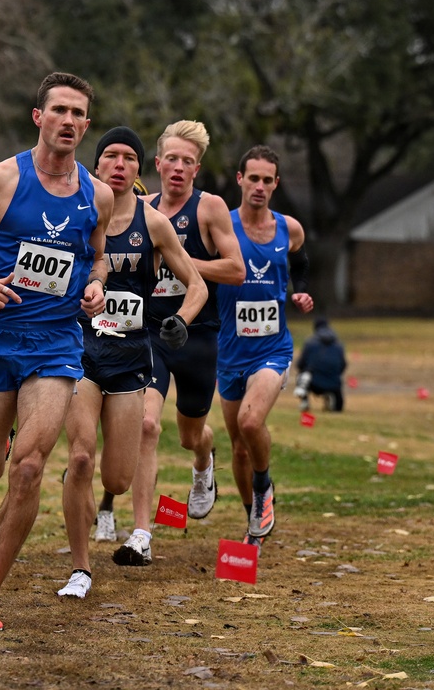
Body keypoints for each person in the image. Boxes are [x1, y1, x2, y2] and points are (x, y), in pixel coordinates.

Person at [0, 71, 113, 630]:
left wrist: (96, 286)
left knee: (29, 467)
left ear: (86, 124)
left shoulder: (98, 195)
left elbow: (98, 257)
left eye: (77, 113)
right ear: (39, 117)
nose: (68, 121)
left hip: (56, 345)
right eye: (59, 110)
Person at [58, 127, 206, 599]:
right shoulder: (74, 212)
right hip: (80, 351)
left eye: (128, 158)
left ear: (139, 170)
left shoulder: (154, 223)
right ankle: (80, 568)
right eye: (110, 156)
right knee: (81, 455)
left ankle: (96, 498)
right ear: (96, 164)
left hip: (130, 358)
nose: (118, 164)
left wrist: (181, 320)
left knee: (117, 478)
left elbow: (197, 284)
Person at [111, 120, 245, 568]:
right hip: (151, 332)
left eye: (188, 161)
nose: (178, 167)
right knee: (147, 425)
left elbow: (236, 270)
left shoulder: (210, 208)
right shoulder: (143, 209)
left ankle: (204, 461)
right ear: (158, 163)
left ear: (196, 169)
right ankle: (141, 535)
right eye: (172, 159)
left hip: (198, 336)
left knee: (190, 435)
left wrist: (182, 261)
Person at [217, 146, 313, 550]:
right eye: (253, 178)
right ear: (240, 179)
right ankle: (253, 520)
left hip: (272, 348)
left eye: (267, 180)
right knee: (239, 448)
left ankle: (263, 486)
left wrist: (301, 292)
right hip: (229, 349)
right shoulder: (221, 225)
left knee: (251, 422)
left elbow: (301, 263)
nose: (259, 186)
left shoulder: (289, 229)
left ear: (276, 184)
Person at [294, 317, 347, 412]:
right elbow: (343, 365)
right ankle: (332, 402)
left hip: (314, 383)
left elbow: (300, 364)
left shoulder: (310, 343)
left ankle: (305, 401)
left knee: (302, 375)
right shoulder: (339, 345)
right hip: (334, 383)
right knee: (338, 408)